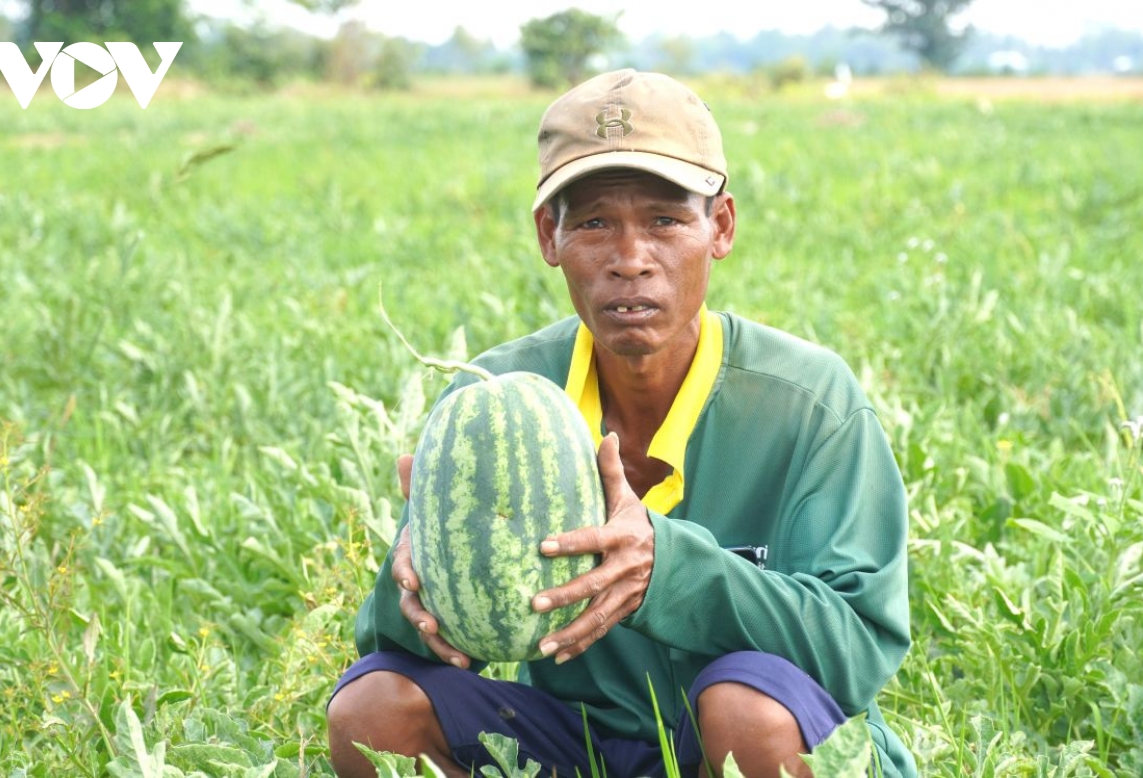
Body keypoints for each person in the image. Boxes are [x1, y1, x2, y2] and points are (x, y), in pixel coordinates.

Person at [326, 69, 916, 778]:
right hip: (578, 743)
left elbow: (858, 645)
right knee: (369, 711)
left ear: (720, 227)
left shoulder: (809, 402)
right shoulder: (495, 400)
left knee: (743, 708)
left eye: (666, 220)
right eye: (596, 222)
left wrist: (665, 570)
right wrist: (415, 591)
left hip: (753, 740)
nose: (631, 260)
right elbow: (395, 644)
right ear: (551, 235)